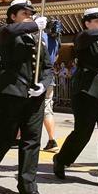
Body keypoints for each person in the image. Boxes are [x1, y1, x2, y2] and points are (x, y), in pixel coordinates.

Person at [0, 0, 52, 194]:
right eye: (24, 13)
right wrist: (34, 24)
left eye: (31, 14)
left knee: (32, 139)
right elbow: (10, 33)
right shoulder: (5, 32)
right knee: (6, 136)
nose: (29, 16)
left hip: (35, 96)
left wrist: (43, 84)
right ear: (13, 16)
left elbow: (48, 67)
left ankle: (27, 184)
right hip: (11, 92)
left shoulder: (39, 37)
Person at [53, 7, 98, 190]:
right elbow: (84, 40)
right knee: (83, 133)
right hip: (89, 92)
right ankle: (61, 160)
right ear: (87, 23)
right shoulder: (83, 38)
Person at [42, 19, 63, 150]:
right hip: (50, 78)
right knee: (47, 109)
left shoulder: (41, 36)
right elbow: (55, 58)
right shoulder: (57, 41)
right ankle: (51, 140)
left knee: (27, 108)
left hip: (39, 77)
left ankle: (17, 137)